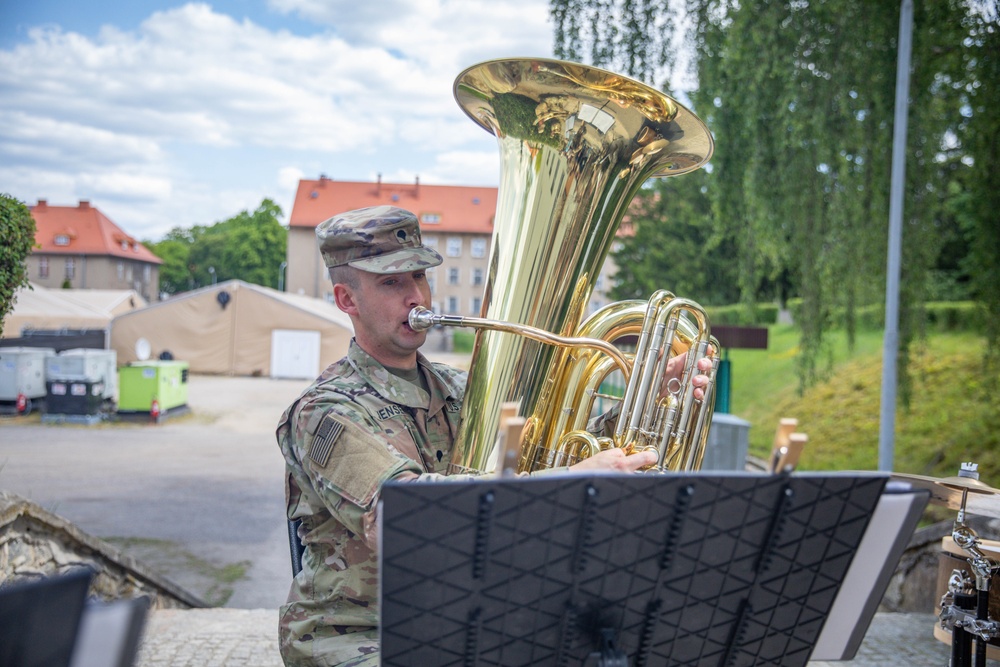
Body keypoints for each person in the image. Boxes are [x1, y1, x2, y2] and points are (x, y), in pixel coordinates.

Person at [276, 205, 712, 667]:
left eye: (419, 276)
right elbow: (405, 521)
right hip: (361, 635)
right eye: (392, 283)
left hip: (469, 619)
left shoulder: (462, 387)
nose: (416, 296)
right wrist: (572, 480)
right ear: (347, 300)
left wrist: (648, 400)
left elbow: (546, 454)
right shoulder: (325, 411)